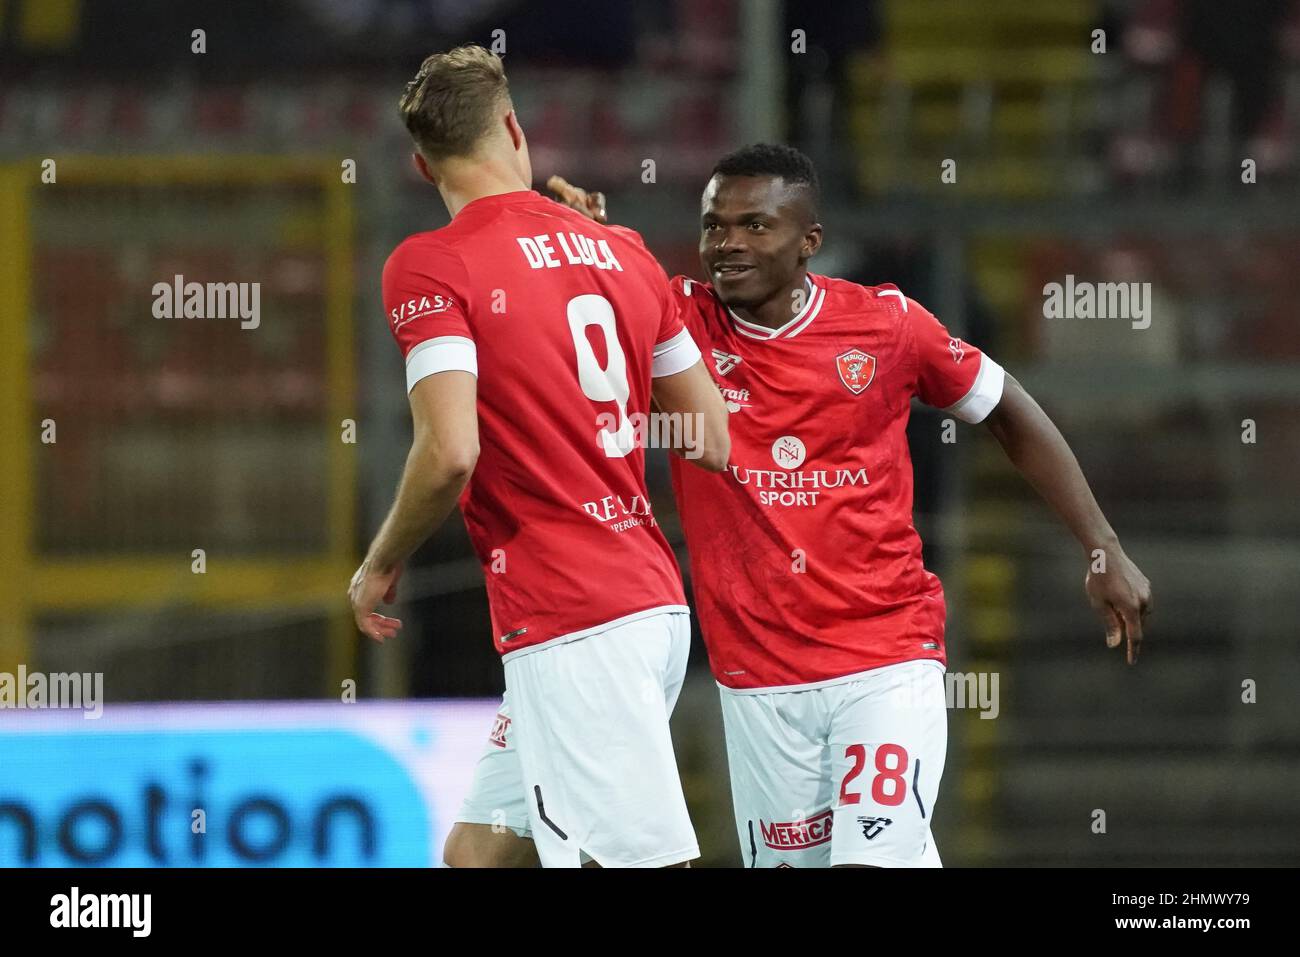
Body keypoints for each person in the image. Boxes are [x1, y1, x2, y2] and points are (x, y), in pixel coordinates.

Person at [446, 143, 1152, 867]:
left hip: (885, 660)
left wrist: (1103, 546)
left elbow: (1007, 407)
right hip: (757, 684)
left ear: (809, 241)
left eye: (756, 226)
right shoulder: (674, 320)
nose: (728, 245)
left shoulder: (886, 326)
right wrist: (579, 240)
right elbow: (588, 303)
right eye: (715, 226)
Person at [348, 45, 730, 868]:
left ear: (423, 165)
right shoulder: (625, 250)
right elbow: (710, 434)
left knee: (635, 863)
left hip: (575, 620)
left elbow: (451, 450)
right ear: (515, 131)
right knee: (477, 852)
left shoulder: (429, 264)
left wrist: (380, 562)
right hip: (649, 603)